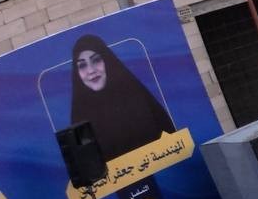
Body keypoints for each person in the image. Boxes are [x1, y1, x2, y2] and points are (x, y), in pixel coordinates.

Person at [66, 31, 176, 161]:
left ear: (108, 61)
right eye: (82, 65)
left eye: (96, 60)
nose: (91, 70)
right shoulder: (79, 117)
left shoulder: (137, 98)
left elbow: (172, 143)